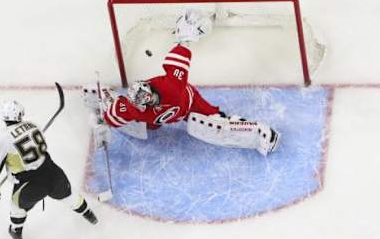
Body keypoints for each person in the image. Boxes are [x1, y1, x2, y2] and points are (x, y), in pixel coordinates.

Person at [86, 8, 280, 156]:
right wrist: (102, 122)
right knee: (149, 125)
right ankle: (115, 101)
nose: (150, 100)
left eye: (149, 95)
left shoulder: (171, 84)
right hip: (159, 121)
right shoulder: (131, 107)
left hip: (189, 105)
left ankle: (254, 132)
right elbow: (115, 114)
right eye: (145, 101)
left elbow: (178, 58)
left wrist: (185, 37)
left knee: (215, 119)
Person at [0, 100, 97, 239]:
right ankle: (88, 214)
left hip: (30, 185)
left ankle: (16, 231)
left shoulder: (1, 139)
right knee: (69, 196)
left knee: (16, 206)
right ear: (21, 114)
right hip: (53, 173)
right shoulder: (34, 125)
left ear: (4, 117)